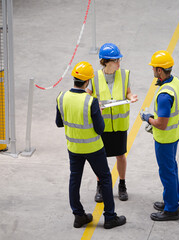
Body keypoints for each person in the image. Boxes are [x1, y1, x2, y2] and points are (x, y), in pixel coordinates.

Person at [56, 61, 126, 229]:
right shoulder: (91, 101)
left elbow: (59, 123)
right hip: (93, 148)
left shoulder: (61, 97)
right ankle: (110, 217)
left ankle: (78, 216)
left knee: (74, 180)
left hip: (73, 147)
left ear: (75, 79)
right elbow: (100, 129)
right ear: (87, 81)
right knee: (106, 179)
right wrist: (99, 114)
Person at [86, 43, 138, 202]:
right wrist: (94, 105)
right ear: (106, 61)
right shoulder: (94, 77)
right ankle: (100, 185)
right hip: (102, 126)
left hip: (120, 125)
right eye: (116, 61)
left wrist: (131, 97)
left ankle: (122, 185)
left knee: (121, 155)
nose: (119, 64)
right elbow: (86, 98)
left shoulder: (124, 74)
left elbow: (128, 93)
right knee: (100, 158)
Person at [140, 50, 179, 221]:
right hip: (175, 135)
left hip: (165, 138)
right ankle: (171, 199)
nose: (152, 70)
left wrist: (148, 118)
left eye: (154, 68)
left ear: (160, 70)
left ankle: (172, 209)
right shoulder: (177, 82)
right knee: (172, 169)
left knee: (167, 172)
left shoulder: (165, 96)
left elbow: (161, 123)